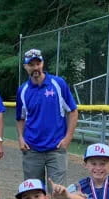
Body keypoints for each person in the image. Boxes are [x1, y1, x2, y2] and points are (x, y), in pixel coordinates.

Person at [16, 49, 78, 188]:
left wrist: (68, 138)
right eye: (31, 64)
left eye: (38, 63)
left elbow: (73, 111)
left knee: (57, 192)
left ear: (42, 63)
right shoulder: (23, 90)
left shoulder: (58, 84)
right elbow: (20, 117)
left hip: (56, 148)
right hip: (32, 149)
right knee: (33, 192)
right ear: (25, 67)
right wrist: (20, 137)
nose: (35, 67)